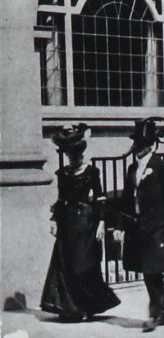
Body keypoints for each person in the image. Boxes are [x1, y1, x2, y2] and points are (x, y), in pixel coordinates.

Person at [40, 123, 120, 321]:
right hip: (68, 220)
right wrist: (55, 221)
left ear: (81, 153)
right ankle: (71, 308)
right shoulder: (63, 174)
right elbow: (61, 200)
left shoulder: (92, 172)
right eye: (70, 155)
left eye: (76, 154)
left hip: (86, 221)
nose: (74, 158)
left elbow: (101, 198)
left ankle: (88, 305)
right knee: (65, 262)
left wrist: (101, 222)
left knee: (83, 262)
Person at [113, 120, 164, 333]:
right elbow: (125, 200)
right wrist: (119, 226)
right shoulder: (132, 168)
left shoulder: (163, 167)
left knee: (153, 271)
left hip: (157, 227)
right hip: (138, 227)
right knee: (148, 272)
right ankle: (162, 312)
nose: (138, 148)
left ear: (151, 145)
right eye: (136, 143)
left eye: (142, 144)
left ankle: (158, 313)